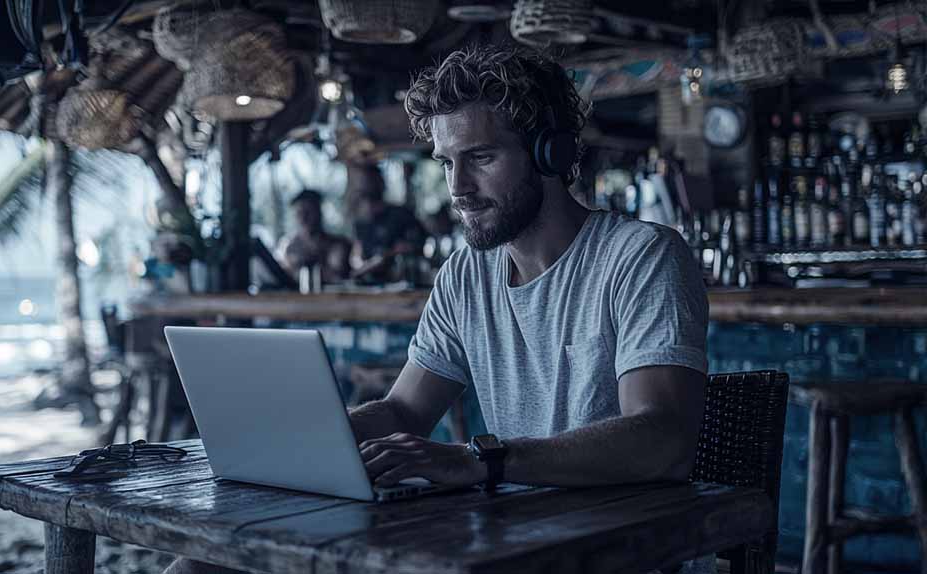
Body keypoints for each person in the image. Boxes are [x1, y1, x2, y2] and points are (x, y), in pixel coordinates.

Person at [164, 44, 710, 574]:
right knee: (204, 561)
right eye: (446, 162)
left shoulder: (641, 257)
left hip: (610, 546)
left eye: (481, 158)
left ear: (553, 153)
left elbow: (661, 439)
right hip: (501, 536)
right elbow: (404, 411)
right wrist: (301, 438)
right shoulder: (465, 275)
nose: (458, 187)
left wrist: (479, 460)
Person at [347, 164, 427, 283]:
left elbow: (420, 245)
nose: (365, 185)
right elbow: (356, 255)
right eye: (362, 182)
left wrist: (391, 254)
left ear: (381, 183)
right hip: (370, 285)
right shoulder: (360, 223)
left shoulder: (401, 214)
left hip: (402, 281)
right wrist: (364, 265)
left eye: (369, 181)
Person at [277, 189, 351, 284]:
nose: (304, 218)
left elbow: (337, 277)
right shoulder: (288, 246)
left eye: (308, 211)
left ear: (319, 212)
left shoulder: (338, 245)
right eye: (300, 212)